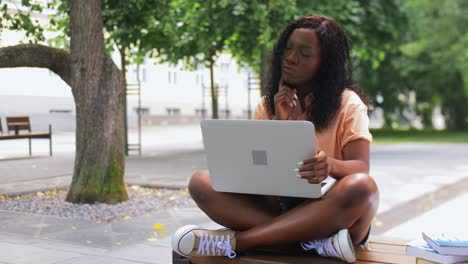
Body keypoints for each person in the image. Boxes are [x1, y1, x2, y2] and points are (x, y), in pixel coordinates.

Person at [171, 14, 379, 263]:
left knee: (361, 187)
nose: (291, 58)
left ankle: (238, 242)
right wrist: (281, 124)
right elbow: (260, 173)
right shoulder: (266, 106)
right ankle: (313, 244)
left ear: (325, 63)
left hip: (334, 213)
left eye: (305, 53)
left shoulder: (348, 103)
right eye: (288, 49)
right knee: (201, 182)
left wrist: (329, 166)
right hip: (282, 207)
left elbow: (361, 167)